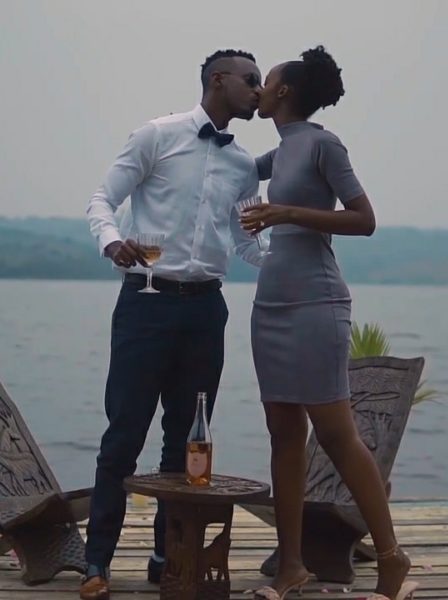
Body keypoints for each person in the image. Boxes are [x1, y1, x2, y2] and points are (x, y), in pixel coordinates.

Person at [81, 49, 263, 600]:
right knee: (123, 436)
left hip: (207, 310)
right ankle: (96, 564)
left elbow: (247, 244)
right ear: (218, 80)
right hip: (146, 303)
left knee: (187, 443)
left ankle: (168, 559)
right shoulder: (156, 136)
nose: (259, 90)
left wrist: (296, 250)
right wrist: (112, 241)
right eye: (251, 80)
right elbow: (102, 199)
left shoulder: (243, 165)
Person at [239, 46, 418, 600]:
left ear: (284, 91)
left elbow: (364, 219)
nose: (258, 89)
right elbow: (229, 169)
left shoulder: (323, 144)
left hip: (317, 303)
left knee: (337, 435)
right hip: (271, 304)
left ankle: (391, 556)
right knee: (283, 433)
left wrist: (286, 212)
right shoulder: (278, 152)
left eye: (265, 81)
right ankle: (291, 566)